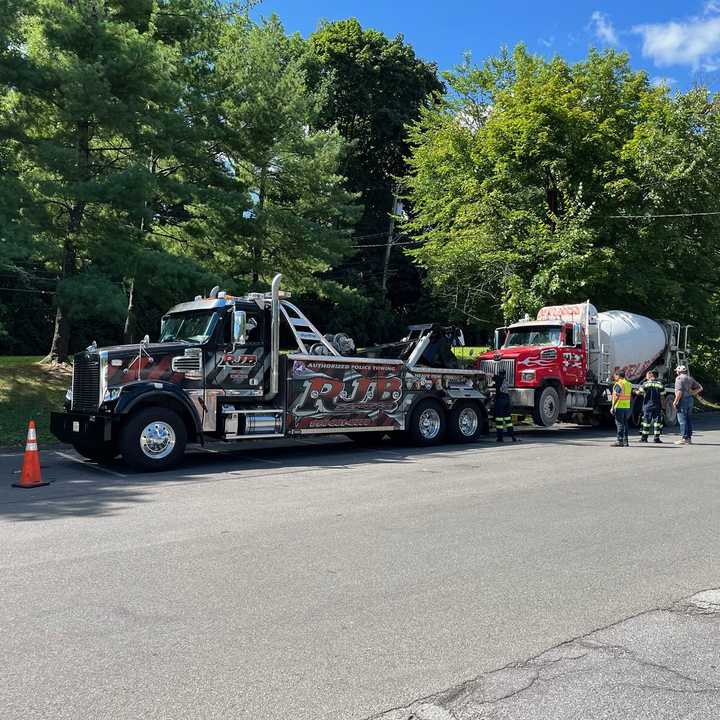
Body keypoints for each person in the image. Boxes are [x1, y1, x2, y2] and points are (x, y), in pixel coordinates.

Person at [673, 365, 703, 445]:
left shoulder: (679, 379)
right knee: (688, 419)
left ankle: (684, 438)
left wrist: (675, 401)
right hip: (690, 400)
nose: (676, 372)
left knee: (682, 420)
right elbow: (700, 387)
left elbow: (679, 392)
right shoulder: (690, 378)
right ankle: (689, 438)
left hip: (683, 401)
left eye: (676, 371)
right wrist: (692, 393)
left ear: (679, 371)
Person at [637, 370, 665, 443]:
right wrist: (663, 407)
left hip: (647, 406)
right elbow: (662, 397)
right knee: (657, 423)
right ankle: (656, 438)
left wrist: (634, 391)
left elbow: (639, 392)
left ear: (650, 376)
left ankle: (644, 438)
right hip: (657, 406)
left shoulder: (645, 384)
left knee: (646, 422)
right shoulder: (660, 384)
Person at [493, 369, 519, 443]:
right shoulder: (505, 380)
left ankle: (500, 438)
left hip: (500, 400)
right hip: (507, 399)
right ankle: (512, 436)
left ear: (499, 373)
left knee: (499, 419)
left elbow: (493, 377)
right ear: (505, 374)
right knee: (508, 419)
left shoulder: (498, 378)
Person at [610, 369, 632, 447]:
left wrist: (612, 407)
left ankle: (619, 440)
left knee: (619, 424)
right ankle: (626, 441)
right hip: (626, 407)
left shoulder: (618, 384)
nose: (614, 377)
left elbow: (617, 396)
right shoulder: (628, 384)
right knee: (625, 424)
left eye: (615, 375)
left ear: (618, 376)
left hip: (619, 406)